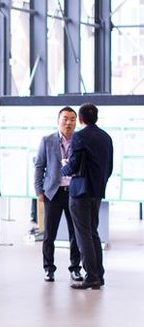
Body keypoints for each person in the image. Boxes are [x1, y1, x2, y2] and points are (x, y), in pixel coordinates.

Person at [61, 103, 113, 290]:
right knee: (93, 233)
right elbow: (109, 167)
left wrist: (63, 167)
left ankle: (91, 277)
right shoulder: (106, 137)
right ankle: (98, 275)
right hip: (97, 191)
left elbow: (73, 166)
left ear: (80, 119)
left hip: (80, 192)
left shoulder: (79, 137)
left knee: (83, 235)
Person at [34, 107, 83, 283]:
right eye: (65, 119)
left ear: (76, 121)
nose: (68, 122)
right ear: (58, 121)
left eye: (72, 119)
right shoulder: (47, 141)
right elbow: (39, 166)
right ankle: (49, 268)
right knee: (49, 233)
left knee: (75, 233)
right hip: (53, 193)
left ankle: (75, 268)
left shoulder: (80, 140)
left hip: (74, 192)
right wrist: (39, 191)